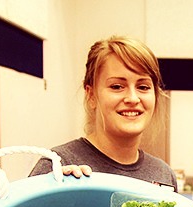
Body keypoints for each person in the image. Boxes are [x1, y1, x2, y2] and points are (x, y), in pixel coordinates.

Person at [30, 35, 177, 189]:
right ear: (91, 95)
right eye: (117, 86)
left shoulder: (164, 176)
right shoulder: (58, 166)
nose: (133, 99)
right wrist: (54, 197)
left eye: (143, 87)